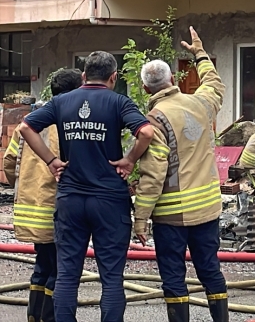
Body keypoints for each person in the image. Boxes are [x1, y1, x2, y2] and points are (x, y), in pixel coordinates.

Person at [18, 51, 154, 322]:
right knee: (112, 278)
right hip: (109, 200)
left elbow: (25, 128)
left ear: (83, 76)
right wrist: (129, 160)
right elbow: (147, 132)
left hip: (71, 199)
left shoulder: (61, 102)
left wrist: (52, 161)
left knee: (68, 274)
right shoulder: (118, 102)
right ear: (113, 76)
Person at [133, 26, 228, 322]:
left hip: (171, 216)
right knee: (210, 269)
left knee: (174, 276)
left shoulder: (155, 119)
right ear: (172, 79)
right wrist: (199, 53)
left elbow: (153, 172)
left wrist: (140, 218)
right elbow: (214, 83)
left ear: (147, 89)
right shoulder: (200, 103)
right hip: (208, 210)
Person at [3, 69, 83, 322]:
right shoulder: (68, 123)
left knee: (42, 265)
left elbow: (9, 162)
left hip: (31, 207)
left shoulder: (29, 122)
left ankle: (34, 316)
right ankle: (49, 317)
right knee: (59, 269)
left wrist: (24, 186)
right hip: (56, 208)